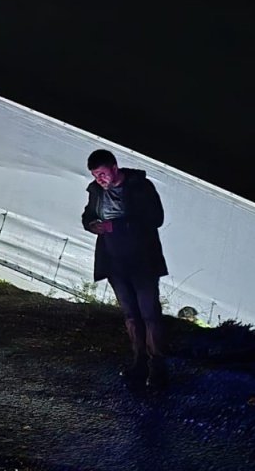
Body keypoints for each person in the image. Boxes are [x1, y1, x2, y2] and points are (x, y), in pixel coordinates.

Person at [80, 149, 169, 387]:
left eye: (102, 173)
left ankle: (157, 366)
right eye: (95, 175)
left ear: (114, 168)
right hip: (114, 261)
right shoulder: (96, 191)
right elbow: (87, 214)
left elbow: (155, 219)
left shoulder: (140, 186)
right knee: (131, 315)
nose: (99, 179)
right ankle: (139, 362)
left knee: (149, 313)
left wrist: (115, 227)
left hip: (142, 260)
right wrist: (91, 224)